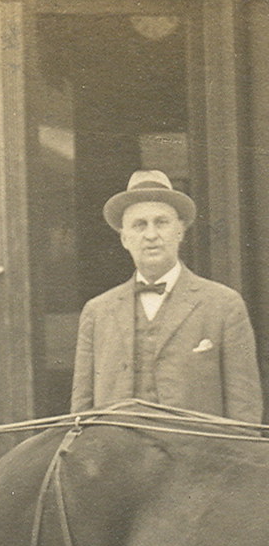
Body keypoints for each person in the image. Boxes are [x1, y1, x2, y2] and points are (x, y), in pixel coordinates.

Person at [71, 169, 263, 423]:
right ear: (124, 238)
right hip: (116, 449)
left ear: (180, 231)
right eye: (139, 225)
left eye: (161, 222)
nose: (151, 235)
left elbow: (244, 411)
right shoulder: (97, 312)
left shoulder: (224, 305)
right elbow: (80, 416)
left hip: (196, 448)